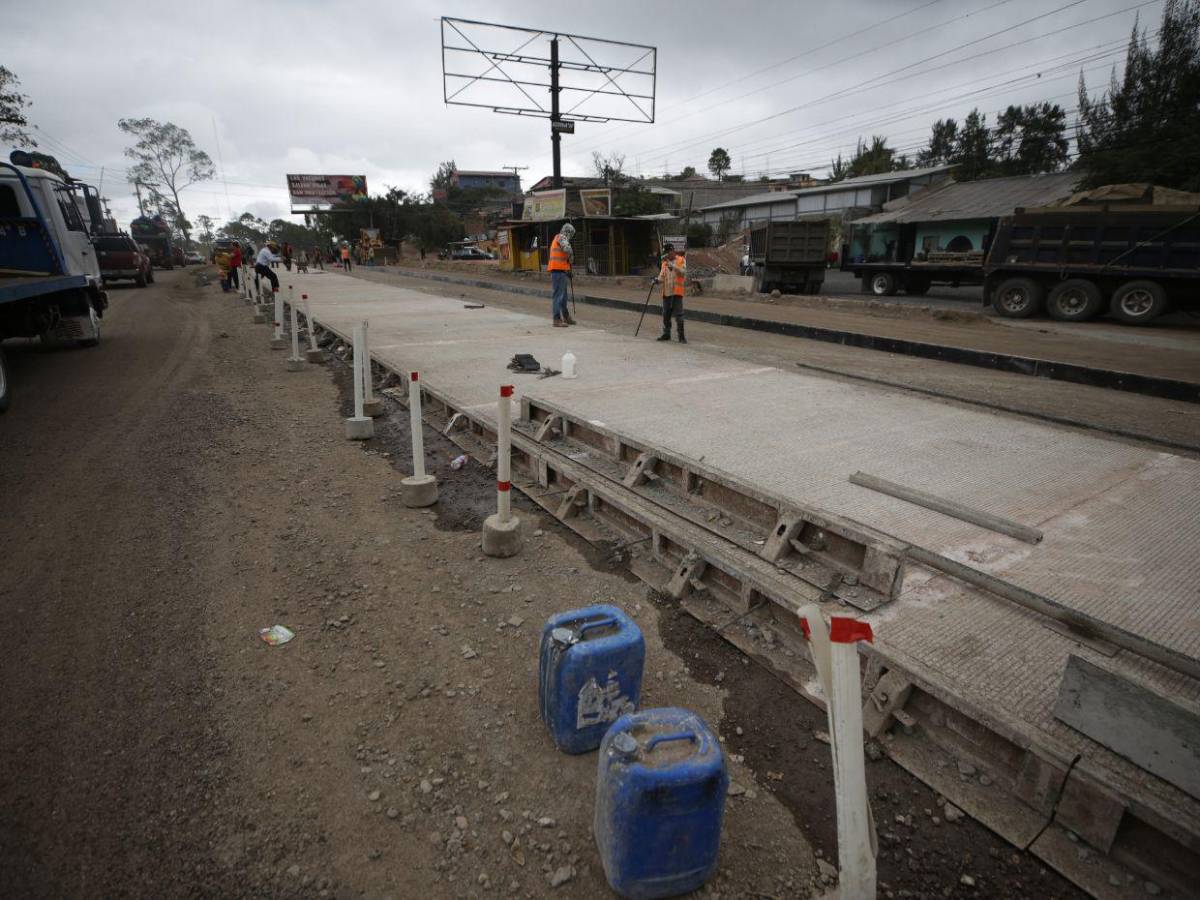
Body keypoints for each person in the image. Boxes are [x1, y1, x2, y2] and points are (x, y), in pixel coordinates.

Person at [654, 243, 687, 344]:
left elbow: (683, 272)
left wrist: (673, 266)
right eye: (665, 254)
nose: (666, 255)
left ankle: (681, 336)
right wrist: (656, 280)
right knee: (666, 315)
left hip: (677, 292)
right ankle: (666, 334)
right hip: (667, 293)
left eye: (667, 253)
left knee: (679, 315)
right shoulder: (664, 263)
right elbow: (662, 277)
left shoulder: (681, 260)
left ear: (672, 251)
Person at [547, 222, 575, 327]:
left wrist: (568, 270)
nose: (571, 237)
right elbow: (567, 249)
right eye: (571, 234)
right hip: (558, 271)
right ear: (568, 232)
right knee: (558, 296)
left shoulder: (558, 238)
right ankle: (556, 319)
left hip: (561, 270)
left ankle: (566, 316)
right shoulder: (561, 237)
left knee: (563, 297)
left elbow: (563, 255)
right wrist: (571, 258)